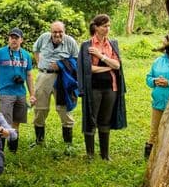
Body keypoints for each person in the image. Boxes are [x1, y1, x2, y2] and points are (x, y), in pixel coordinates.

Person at [76, 14, 126, 160]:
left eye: (109, 26)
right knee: (92, 118)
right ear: (96, 27)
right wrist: (108, 67)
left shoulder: (112, 44)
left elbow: (118, 65)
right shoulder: (87, 45)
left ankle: (105, 155)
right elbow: (88, 69)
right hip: (93, 87)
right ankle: (90, 154)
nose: (107, 29)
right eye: (104, 26)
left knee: (105, 120)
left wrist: (101, 56)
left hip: (111, 87)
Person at [0, 27, 35, 152]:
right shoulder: (0, 53)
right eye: (11, 37)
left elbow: (29, 75)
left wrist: (32, 94)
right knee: (4, 122)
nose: (13, 40)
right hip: (5, 92)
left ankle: (13, 150)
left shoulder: (26, 55)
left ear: (21, 40)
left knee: (17, 122)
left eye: (16, 38)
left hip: (21, 93)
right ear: (8, 39)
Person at [31, 21, 80, 150]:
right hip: (44, 76)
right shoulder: (43, 37)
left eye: (60, 32)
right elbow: (35, 49)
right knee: (40, 109)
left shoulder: (70, 41)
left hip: (62, 78)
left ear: (64, 31)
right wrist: (40, 63)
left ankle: (68, 145)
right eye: (54, 32)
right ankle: (39, 142)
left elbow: (76, 60)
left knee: (64, 109)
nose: (57, 34)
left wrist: (62, 65)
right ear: (50, 31)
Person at [144, 36, 169, 159]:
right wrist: (154, 80)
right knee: (154, 131)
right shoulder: (158, 61)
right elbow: (148, 78)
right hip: (158, 101)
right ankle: (151, 157)